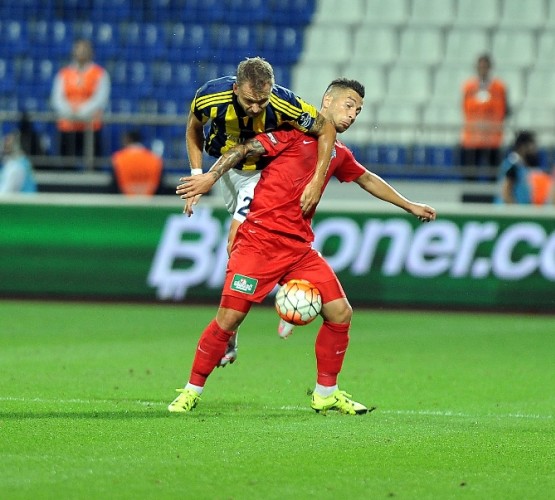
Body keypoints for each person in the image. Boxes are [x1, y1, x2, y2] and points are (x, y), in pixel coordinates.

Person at [169, 79, 437, 415]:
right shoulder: (291, 132)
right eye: (349, 105)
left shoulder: (338, 154)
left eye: (359, 110)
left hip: (298, 249)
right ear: (327, 100)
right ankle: (192, 390)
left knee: (341, 312)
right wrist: (210, 175)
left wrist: (409, 205)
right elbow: (243, 150)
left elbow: (367, 177)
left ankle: (326, 392)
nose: (353, 114)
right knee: (229, 317)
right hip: (259, 242)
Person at [185, 56, 337, 365]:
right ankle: (280, 301)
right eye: (250, 101)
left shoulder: (286, 103)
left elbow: (326, 128)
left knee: (239, 238)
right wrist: (197, 172)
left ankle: (286, 303)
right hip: (225, 170)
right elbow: (193, 128)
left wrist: (317, 179)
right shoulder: (210, 96)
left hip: (261, 175)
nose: (257, 107)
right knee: (235, 249)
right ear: (236, 87)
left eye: (262, 100)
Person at [50, 39, 111, 164]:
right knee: (66, 164)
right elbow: (57, 98)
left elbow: (100, 99)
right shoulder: (63, 74)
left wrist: (82, 112)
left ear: (92, 53)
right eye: (78, 49)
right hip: (67, 126)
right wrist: (70, 112)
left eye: (85, 49)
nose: (81, 52)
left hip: (91, 127)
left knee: (93, 164)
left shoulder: (100, 74)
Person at [460, 54, 508, 181]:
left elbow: (503, 110)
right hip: (472, 138)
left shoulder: (499, 87)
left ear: (490, 68)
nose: (483, 69)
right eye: (480, 66)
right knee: (470, 174)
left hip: (492, 138)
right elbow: (465, 109)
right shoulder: (468, 87)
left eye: (485, 67)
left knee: (493, 174)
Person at [498, 130, 552, 205]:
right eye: (532, 146)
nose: (535, 150)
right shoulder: (513, 164)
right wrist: (516, 211)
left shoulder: (520, 165)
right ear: (523, 147)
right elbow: (506, 193)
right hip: (509, 213)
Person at [111, 130, 163, 196]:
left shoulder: (118, 158)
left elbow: (115, 184)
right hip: (150, 200)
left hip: (125, 200)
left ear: (127, 140)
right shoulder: (155, 158)